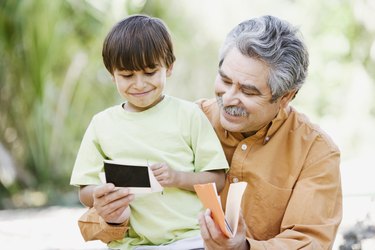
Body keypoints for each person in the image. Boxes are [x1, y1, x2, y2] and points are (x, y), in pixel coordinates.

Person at [70, 14, 228, 250]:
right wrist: (101, 195)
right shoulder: (101, 124)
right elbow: (85, 190)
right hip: (132, 243)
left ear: (169, 67)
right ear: (112, 75)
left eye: (150, 72)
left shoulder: (189, 115)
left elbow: (218, 179)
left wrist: (178, 178)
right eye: (127, 75)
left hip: (191, 238)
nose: (140, 84)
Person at [197, 15, 342, 249]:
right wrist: (115, 218)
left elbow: (309, 242)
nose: (229, 98)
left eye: (248, 91)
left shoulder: (316, 153)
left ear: (285, 97)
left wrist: (243, 248)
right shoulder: (187, 121)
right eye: (225, 80)